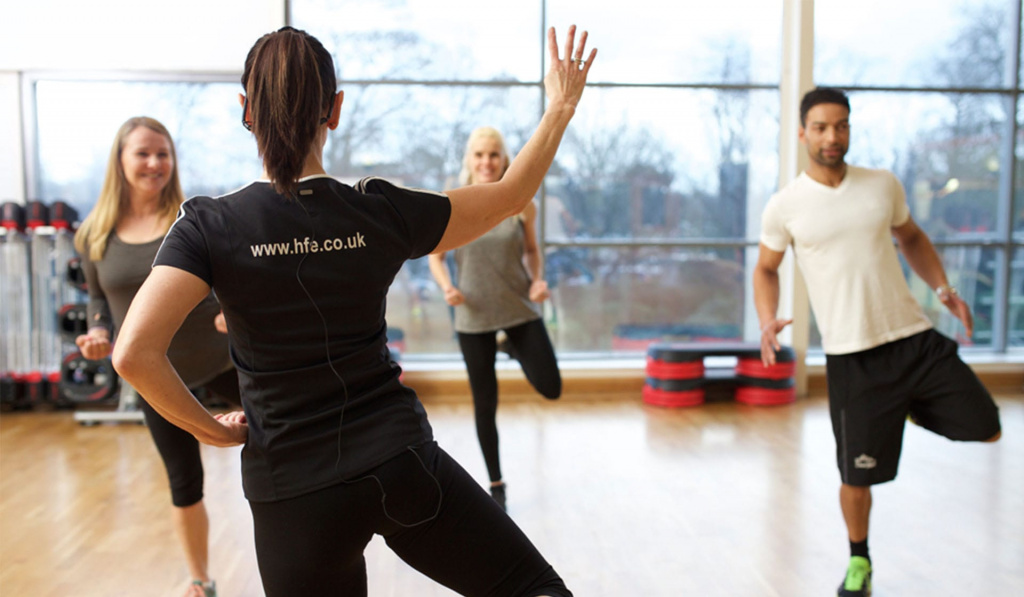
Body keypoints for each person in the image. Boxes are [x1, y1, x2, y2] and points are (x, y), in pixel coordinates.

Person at [112, 25, 595, 597]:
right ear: (335, 109)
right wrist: (560, 106)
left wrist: (210, 431)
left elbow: (134, 353)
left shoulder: (208, 226)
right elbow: (511, 196)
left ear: (245, 110)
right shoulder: (378, 210)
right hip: (399, 462)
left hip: (293, 492)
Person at [753, 87, 1002, 597]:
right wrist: (766, 319)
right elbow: (765, 269)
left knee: (987, 426)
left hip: (913, 340)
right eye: (820, 127)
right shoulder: (785, 206)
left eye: (841, 125)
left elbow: (911, 236)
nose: (832, 136)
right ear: (802, 133)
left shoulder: (881, 185)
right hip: (853, 357)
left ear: (849, 129)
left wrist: (944, 290)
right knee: (856, 476)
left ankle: (903, 406)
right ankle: (859, 562)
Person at [74, 116, 240, 597]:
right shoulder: (95, 233)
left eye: (163, 153)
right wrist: (98, 332)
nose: (154, 163)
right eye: (143, 153)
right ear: (120, 161)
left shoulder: (192, 219)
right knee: (183, 480)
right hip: (156, 378)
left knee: (278, 447)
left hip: (223, 360)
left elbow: (231, 279)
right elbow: (98, 301)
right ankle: (200, 581)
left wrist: (235, 311)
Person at [428, 126, 562, 511]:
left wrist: (537, 279)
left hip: (517, 304)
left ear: (504, 159)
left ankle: (510, 347)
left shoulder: (522, 203)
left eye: (494, 155)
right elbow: (435, 256)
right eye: (479, 155)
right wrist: (446, 288)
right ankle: (497, 484)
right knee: (485, 403)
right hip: (473, 314)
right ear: (469, 160)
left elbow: (533, 251)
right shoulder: (453, 202)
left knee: (551, 387)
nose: (487, 162)